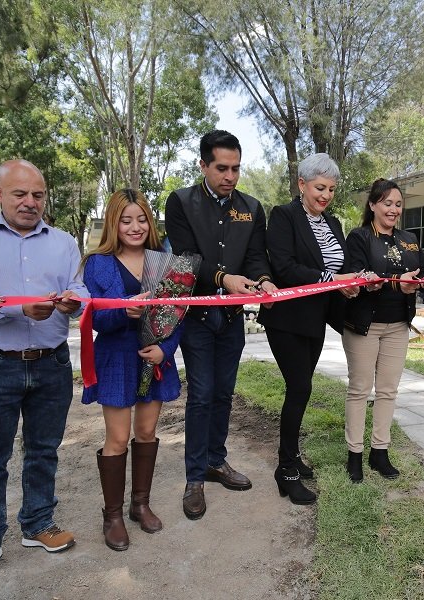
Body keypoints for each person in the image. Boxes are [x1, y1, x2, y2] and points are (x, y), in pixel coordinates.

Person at [0, 159, 88, 587]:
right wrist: (17, 307)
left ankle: (37, 523)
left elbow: (81, 290)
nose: (30, 203)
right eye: (20, 194)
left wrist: (71, 301)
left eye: (38, 195)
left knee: (44, 450)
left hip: (52, 363)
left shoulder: (63, 241)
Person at [165, 130, 278, 520]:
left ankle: (216, 460)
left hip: (231, 318)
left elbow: (255, 256)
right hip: (196, 316)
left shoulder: (251, 207)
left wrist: (263, 280)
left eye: (236, 168)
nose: (230, 176)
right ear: (203, 165)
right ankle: (194, 476)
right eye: (222, 168)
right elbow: (185, 258)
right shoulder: (180, 202)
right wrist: (222, 279)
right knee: (201, 393)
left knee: (224, 393)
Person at [81, 189, 183, 550]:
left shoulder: (166, 260)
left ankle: (140, 504)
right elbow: (93, 318)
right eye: (126, 220)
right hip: (116, 358)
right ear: (113, 223)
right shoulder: (98, 263)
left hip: (154, 358)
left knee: (146, 431)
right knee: (118, 437)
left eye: (141, 219)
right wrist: (123, 311)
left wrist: (165, 349)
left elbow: (178, 313)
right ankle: (112, 516)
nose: (135, 226)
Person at [257, 153, 359, 502]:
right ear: (302, 184)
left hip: (315, 321)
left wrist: (348, 283)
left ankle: (293, 458)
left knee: (303, 388)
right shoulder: (284, 217)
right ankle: (286, 469)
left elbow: (338, 268)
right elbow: (284, 268)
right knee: (299, 388)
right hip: (287, 319)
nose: (326, 195)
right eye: (319, 187)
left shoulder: (333, 224)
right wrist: (333, 278)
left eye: (331, 189)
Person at [342, 178, 424, 481]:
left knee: (388, 390)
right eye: (387, 203)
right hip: (365, 325)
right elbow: (357, 276)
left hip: (398, 325)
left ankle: (380, 451)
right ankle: (354, 453)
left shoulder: (409, 239)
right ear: (373, 205)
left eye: (397, 204)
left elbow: (420, 272)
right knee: (359, 390)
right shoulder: (359, 237)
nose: (393, 209)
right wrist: (395, 281)